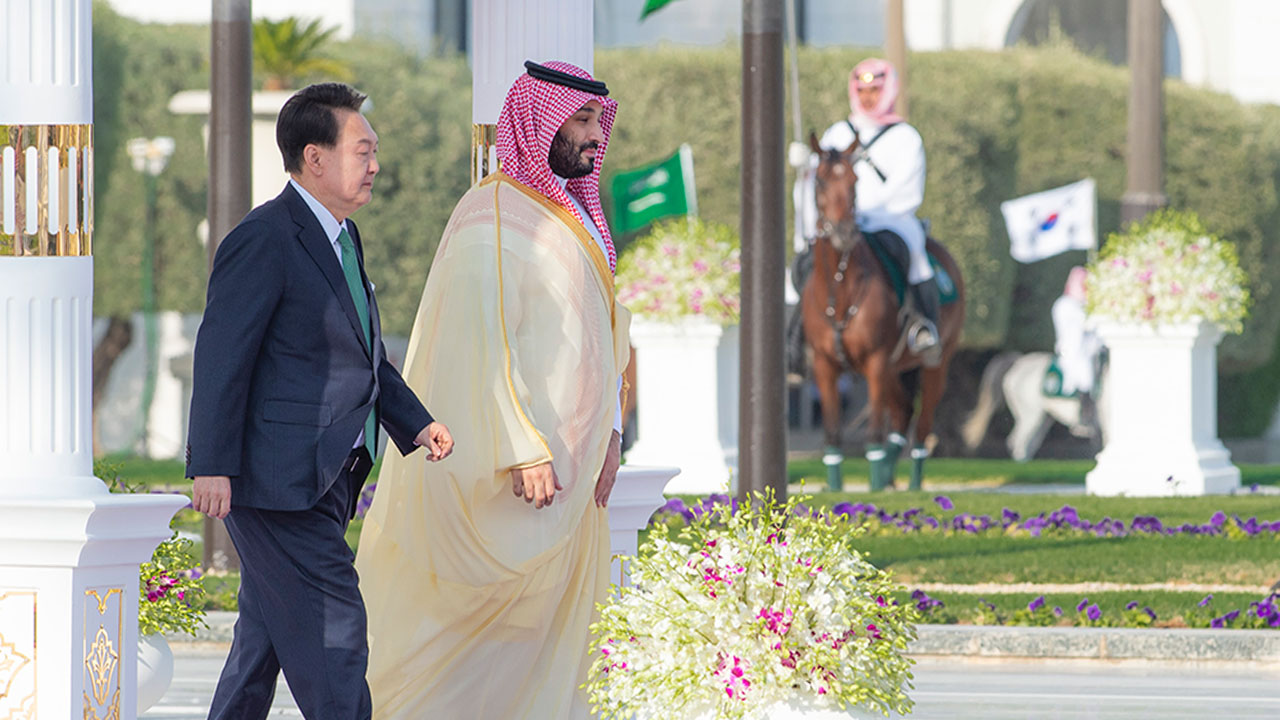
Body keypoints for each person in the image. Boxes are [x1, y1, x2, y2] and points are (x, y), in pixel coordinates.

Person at [353, 60, 629, 719]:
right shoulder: (493, 214)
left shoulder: (578, 217)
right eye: (582, 120)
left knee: (551, 636)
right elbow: (480, 340)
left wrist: (612, 433)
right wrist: (522, 447)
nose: (596, 136)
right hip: (521, 471)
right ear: (540, 123)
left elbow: (602, 334)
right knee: (483, 636)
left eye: (599, 121)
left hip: (577, 468)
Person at [185, 82, 454, 720]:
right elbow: (222, 355)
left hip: (325, 476)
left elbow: (360, 356)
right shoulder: (265, 237)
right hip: (274, 483)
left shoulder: (343, 238)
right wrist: (211, 463)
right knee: (334, 625)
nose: (374, 165)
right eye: (363, 150)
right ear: (315, 157)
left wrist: (414, 423)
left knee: (264, 639)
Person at [786, 57, 939, 375]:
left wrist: (866, 213)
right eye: (863, 90)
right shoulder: (838, 132)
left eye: (875, 90)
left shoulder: (905, 137)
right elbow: (820, 182)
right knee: (801, 265)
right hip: (839, 223)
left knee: (915, 253)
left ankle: (922, 326)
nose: (868, 97)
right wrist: (804, 170)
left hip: (887, 218)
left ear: (889, 91)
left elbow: (907, 190)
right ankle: (792, 338)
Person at [1052, 266, 1102, 430]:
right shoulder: (1065, 304)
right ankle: (1084, 414)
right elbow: (1082, 325)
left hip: (1090, 348)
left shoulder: (1084, 304)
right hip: (1073, 350)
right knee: (1085, 375)